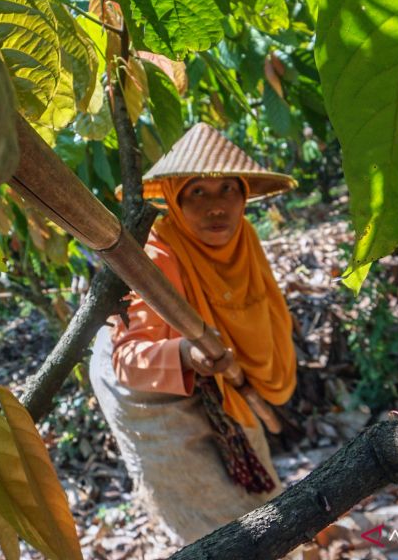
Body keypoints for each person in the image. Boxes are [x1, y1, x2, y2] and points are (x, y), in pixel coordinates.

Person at [89, 122, 299, 543]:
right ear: (173, 200)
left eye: (228, 190)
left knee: (262, 497)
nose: (216, 208)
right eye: (197, 193)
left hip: (217, 374)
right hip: (148, 389)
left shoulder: (245, 239)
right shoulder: (155, 255)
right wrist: (185, 352)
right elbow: (128, 357)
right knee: (214, 517)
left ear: (244, 195)